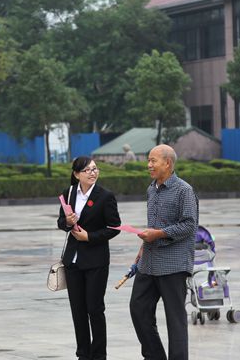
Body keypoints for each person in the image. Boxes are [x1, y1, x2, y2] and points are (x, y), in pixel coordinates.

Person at [129, 144, 198, 360]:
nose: (149, 165)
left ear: (167, 163)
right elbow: (154, 224)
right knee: (138, 309)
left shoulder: (184, 190)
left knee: (175, 320)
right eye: (148, 161)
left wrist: (158, 234)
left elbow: (189, 225)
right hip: (149, 262)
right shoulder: (151, 189)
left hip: (173, 265)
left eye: (153, 161)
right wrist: (144, 245)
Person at [57, 156, 121, 360]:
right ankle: (83, 354)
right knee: (78, 310)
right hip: (73, 261)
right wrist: (68, 222)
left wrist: (90, 237)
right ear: (77, 174)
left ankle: (99, 355)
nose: (93, 173)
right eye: (88, 170)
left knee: (95, 309)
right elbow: (61, 222)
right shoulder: (68, 193)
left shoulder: (105, 196)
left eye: (95, 169)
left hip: (96, 261)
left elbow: (114, 228)